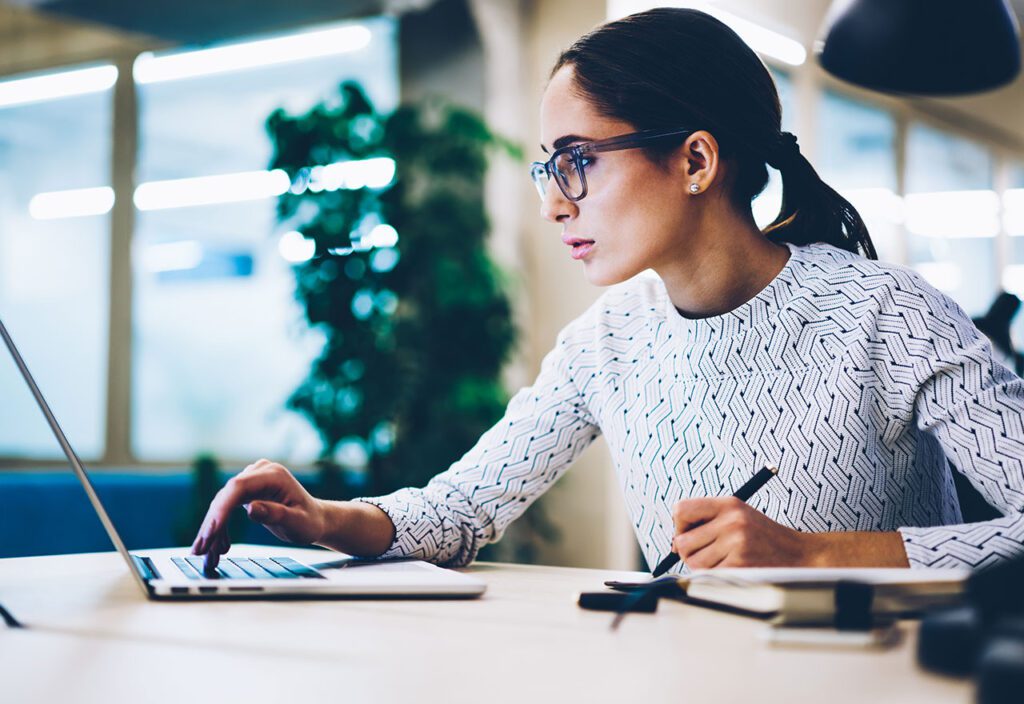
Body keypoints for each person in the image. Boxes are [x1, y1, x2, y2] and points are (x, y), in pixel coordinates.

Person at [192, 8, 1024, 574]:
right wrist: (326, 518)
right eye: (547, 168)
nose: (555, 200)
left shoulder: (890, 315)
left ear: (696, 161)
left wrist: (814, 555)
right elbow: (459, 512)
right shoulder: (608, 339)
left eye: (578, 161)